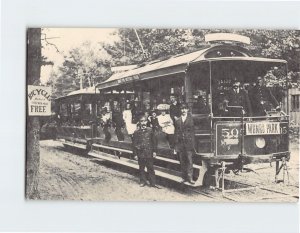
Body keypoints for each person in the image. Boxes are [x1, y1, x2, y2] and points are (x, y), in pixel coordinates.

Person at [132, 115, 160, 188]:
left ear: (147, 122)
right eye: (141, 121)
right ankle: (143, 181)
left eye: (144, 121)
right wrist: (135, 154)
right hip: (140, 153)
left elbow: (154, 142)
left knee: (150, 168)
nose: (143, 123)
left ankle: (153, 183)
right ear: (139, 122)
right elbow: (134, 144)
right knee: (141, 168)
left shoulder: (150, 130)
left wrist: (154, 152)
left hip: (149, 152)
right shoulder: (136, 132)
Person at [174, 103, 195, 185]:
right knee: (182, 161)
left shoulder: (191, 118)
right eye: (182, 108)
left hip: (189, 143)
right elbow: (176, 133)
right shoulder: (178, 120)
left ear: (187, 110)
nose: (183, 110)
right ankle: (183, 177)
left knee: (189, 161)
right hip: (180, 144)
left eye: (185, 108)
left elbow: (193, 132)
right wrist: (176, 145)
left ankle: (190, 178)